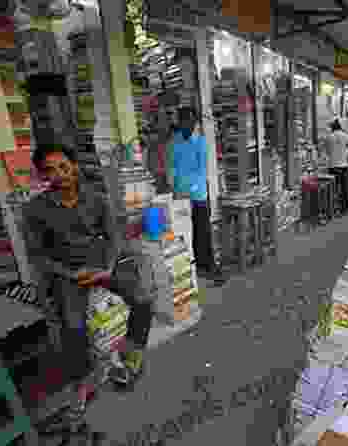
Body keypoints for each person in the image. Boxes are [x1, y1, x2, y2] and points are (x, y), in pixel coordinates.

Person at [24, 144, 158, 430]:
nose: (60, 175)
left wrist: (107, 268)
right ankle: (83, 385)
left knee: (143, 298)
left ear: (74, 166)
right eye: (50, 170)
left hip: (101, 264)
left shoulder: (96, 199)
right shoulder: (36, 209)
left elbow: (113, 237)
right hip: (68, 273)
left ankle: (132, 354)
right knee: (73, 328)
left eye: (63, 166)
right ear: (42, 175)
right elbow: (37, 255)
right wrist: (71, 274)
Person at [166, 107, 225, 284]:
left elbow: (201, 171)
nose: (188, 125)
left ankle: (207, 265)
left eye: (191, 122)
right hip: (180, 196)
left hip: (198, 194)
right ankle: (189, 266)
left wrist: (188, 190)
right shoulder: (174, 142)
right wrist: (174, 187)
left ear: (195, 123)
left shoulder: (200, 142)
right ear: (180, 122)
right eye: (184, 121)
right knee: (183, 232)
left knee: (203, 231)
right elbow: (172, 167)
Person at [324, 119, 348, 215]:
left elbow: (327, 152)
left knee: (333, 189)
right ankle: (345, 209)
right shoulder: (347, 137)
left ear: (332, 127)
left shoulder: (328, 137)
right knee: (345, 189)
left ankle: (333, 209)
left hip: (332, 166)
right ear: (341, 127)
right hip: (343, 166)